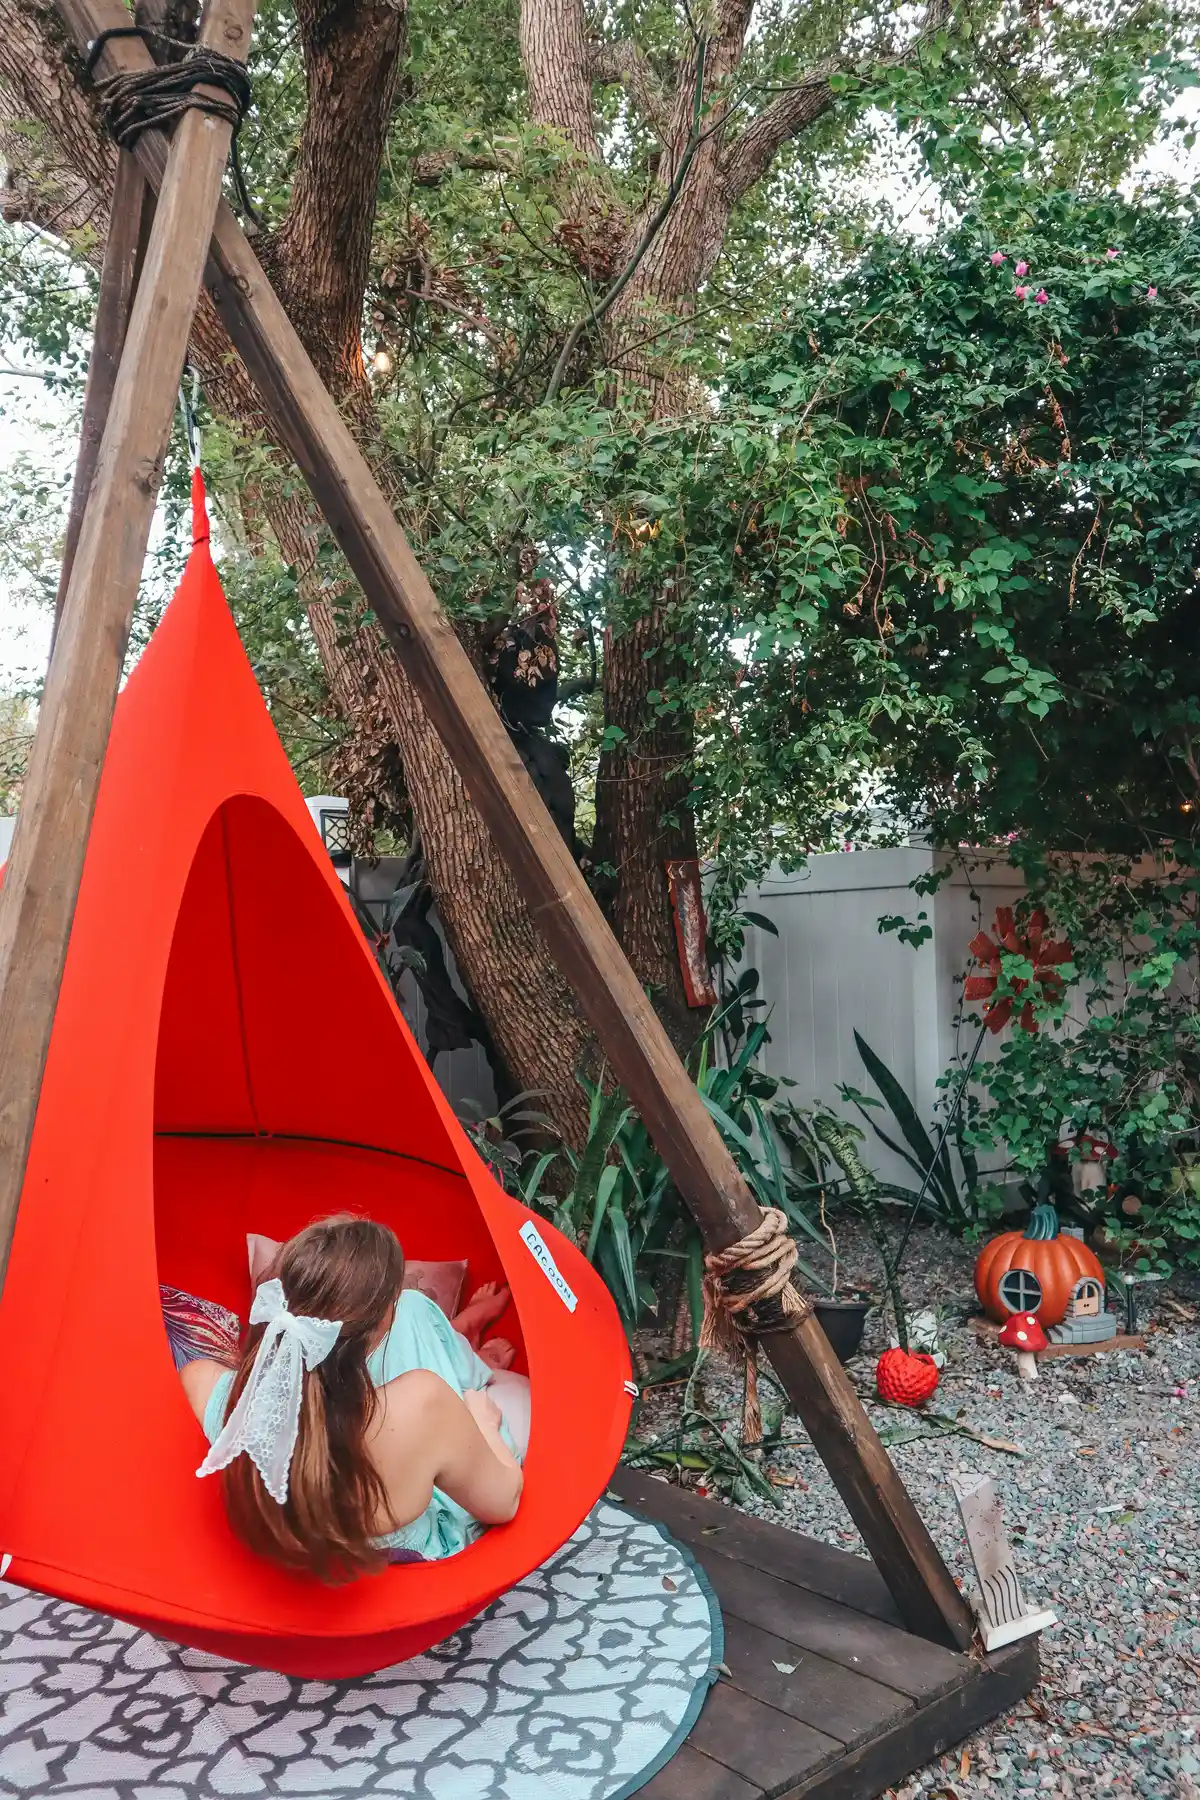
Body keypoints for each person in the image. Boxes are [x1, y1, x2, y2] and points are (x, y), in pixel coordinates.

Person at [180, 1215, 527, 1582]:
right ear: (373, 1338)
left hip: (308, 1543)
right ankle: (464, 1346)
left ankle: (461, 1334)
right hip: (408, 1567)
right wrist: (485, 1424)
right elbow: (504, 1502)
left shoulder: (203, 1384)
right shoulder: (423, 1404)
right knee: (415, 1311)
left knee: (410, 1315)